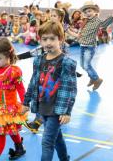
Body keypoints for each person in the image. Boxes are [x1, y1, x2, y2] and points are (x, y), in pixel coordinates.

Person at [23, 21, 77, 161]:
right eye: (44, 39)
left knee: (47, 142)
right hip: (43, 107)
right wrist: (26, 102)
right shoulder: (39, 60)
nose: (48, 42)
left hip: (56, 110)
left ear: (61, 39)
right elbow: (33, 82)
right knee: (57, 138)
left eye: (52, 38)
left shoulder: (66, 62)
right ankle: (65, 158)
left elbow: (70, 89)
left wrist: (66, 111)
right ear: (40, 40)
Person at [79, 1, 113, 90]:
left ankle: (97, 79)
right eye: (86, 12)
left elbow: (104, 25)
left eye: (90, 11)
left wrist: (112, 17)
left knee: (86, 65)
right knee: (83, 65)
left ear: (95, 11)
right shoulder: (86, 21)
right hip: (82, 45)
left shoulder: (97, 20)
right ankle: (92, 77)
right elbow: (83, 32)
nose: (88, 13)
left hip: (90, 46)